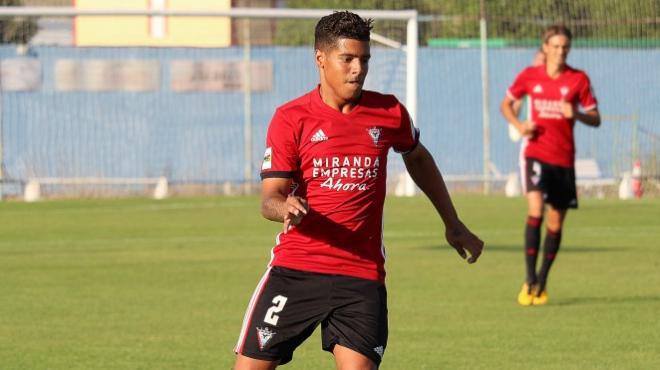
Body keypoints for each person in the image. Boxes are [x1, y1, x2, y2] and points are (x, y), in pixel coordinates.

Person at [233, 11, 484, 369]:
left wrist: (453, 222)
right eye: (347, 58)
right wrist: (284, 206)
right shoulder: (292, 118)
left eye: (364, 59)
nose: (358, 69)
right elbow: (269, 197)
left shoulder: (389, 112)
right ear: (321, 58)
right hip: (297, 269)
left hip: (361, 276)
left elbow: (418, 158)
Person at [500, 25, 601, 306]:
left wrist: (577, 114)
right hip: (536, 153)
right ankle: (529, 278)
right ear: (545, 47)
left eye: (565, 47)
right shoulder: (530, 76)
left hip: (564, 160)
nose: (560, 51)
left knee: (555, 222)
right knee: (535, 209)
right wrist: (520, 125)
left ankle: (542, 280)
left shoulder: (578, 79)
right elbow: (506, 104)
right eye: (555, 46)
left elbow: (596, 117)